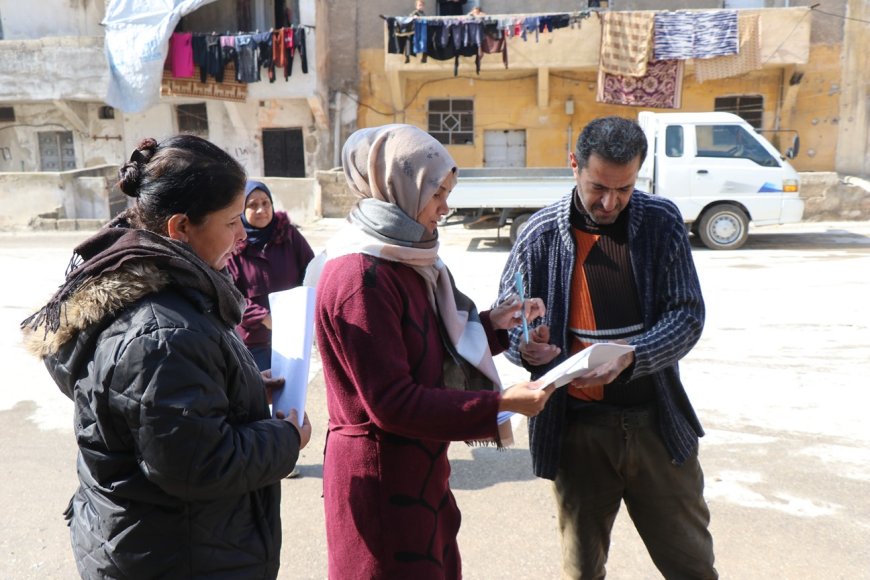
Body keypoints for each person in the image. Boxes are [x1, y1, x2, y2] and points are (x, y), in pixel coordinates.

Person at [21, 135, 313, 579]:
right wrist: (287, 438)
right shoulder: (160, 332)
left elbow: (170, 414)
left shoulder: (168, 292)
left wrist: (242, 390)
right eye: (232, 221)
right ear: (179, 228)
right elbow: (199, 464)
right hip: (176, 556)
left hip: (162, 543)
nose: (241, 234)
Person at [307, 124, 554, 579]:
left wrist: (493, 325)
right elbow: (391, 401)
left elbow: (428, 346)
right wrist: (499, 404)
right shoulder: (360, 275)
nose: (445, 206)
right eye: (437, 193)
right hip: (381, 477)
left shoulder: (405, 258)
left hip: (419, 469)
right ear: (399, 188)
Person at [498, 116, 717, 579]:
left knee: (692, 567)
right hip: (578, 433)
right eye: (598, 186)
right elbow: (509, 319)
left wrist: (634, 354)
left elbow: (687, 315)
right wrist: (526, 347)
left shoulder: (661, 224)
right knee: (582, 571)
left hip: (656, 425)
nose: (610, 201)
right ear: (573, 164)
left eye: (624, 188)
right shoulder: (538, 237)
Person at [227, 179, 315, 372]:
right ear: (241, 210)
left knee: (291, 395)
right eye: (253, 205)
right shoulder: (233, 245)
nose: (261, 210)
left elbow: (312, 272)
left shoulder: (289, 235)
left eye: (266, 203)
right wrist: (263, 317)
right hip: (253, 342)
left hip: (291, 335)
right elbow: (229, 293)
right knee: (259, 396)